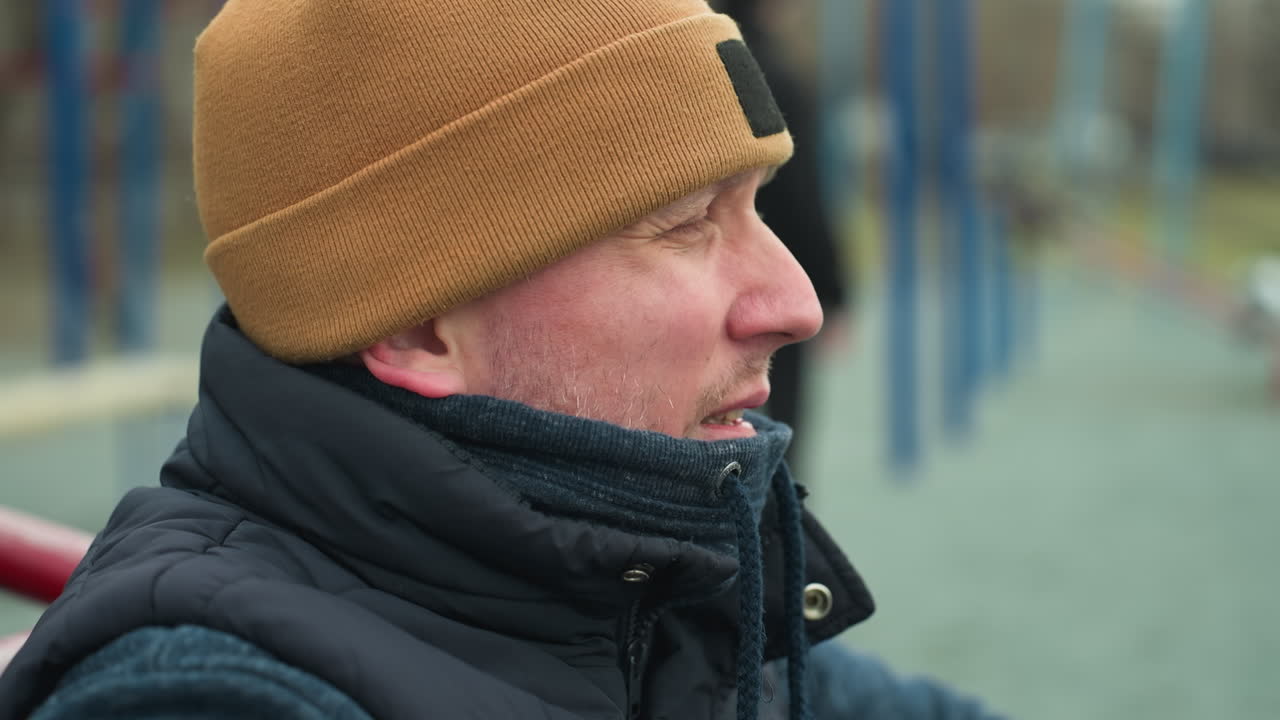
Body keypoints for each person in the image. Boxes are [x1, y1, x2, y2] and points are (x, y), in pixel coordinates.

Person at [0, 1, 1007, 718]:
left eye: (756, 206)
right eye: (683, 222)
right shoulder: (213, 698)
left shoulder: (655, 602)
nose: (793, 304)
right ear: (414, 326)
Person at [717, 0, 853, 466]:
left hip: (707, 276)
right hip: (771, 275)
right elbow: (804, 197)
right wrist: (832, 290)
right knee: (783, 423)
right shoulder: (776, 78)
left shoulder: (691, 61)